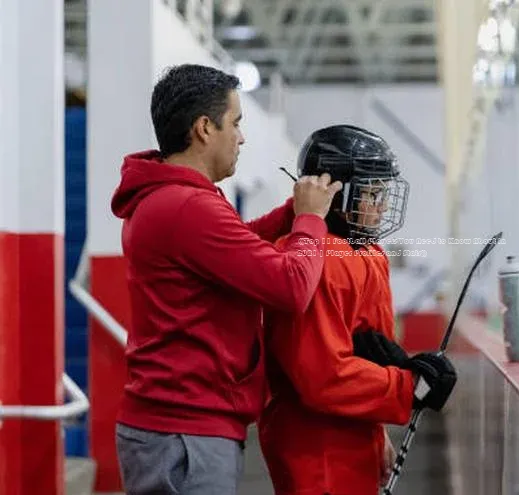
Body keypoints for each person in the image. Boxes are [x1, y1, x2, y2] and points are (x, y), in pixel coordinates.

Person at [109, 63, 342, 495]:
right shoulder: (187, 207)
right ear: (204, 128)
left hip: (176, 430)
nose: (242, 136)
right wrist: (310, 221)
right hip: (185, 436)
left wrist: (291, 212)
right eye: (235, 122)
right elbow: (292, 288)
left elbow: (234, 247)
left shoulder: (169, 199)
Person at [257, 124, 458, 495]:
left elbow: (367, 352)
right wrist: (406, 387)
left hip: (354, 437)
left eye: (384, 192)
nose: (382, 206)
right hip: (317, 448)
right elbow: (322, 377)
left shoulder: (369, 254)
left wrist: (377, 427)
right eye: (372, 193)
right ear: (336, 195)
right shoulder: (315, 258)